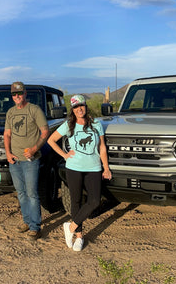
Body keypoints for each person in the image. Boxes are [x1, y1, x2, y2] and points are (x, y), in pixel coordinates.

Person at [47, 94, 112, 251]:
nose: (79, 109)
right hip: (74, 167)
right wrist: (64, 155)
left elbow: (102, 147)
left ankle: (70, 227)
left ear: (86, 106)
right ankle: (79, 236)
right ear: (72, 109)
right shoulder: (68, 125)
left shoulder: (96, 124)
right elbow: (51, 140)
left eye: (81, 105)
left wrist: (106, 167)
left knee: (94, 200)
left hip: (93, 168)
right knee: (76, 201)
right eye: (76, 107)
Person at [4, 82, 49, 240]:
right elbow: (7, 134)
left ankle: (35, 226)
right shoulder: (10, 112)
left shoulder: (34, 110)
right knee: (21, 193)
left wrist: (34, 149)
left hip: (30, 159)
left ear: (25, 94)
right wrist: (8, 153)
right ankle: (26, 221)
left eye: (19, 93)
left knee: (31, 193)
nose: (17, 96)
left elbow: (45, 132)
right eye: (14, 94)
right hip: (14, 160)